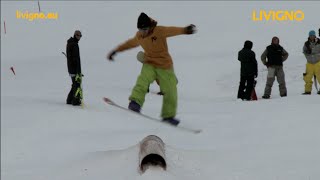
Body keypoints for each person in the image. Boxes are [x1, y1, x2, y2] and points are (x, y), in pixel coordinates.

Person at [107, 12, 196, 125]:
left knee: (170, 90)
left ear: (150, 27)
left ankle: (168, 116)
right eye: (141, 29)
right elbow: (129, 43)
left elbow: (172, 30)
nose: (143, 32)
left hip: (164, 65)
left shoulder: (159, 31)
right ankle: (135, 103)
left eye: (145, 29)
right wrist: (116, 51)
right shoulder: (139, 36)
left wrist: (185, 30)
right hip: (149, 63)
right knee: (143, 80)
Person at [66, 30, 83, 106]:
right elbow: (76, 59)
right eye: (78, 35)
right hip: (74, 69)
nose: (79, 37)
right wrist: (78, 72)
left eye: (80, 36)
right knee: (77, 84)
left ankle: (69, 100)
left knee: (74, 84)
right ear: (75, 35)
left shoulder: (70, 43)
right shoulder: (74, 44)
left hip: (71, 68)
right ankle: (75, 101)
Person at [302, 30, 320, 95]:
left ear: (315, 35)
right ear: (309, 36)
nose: (312, 36)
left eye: (313, 35)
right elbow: (304, 51)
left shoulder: (319, 42)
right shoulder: (306, 43)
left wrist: (317, 55)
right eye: (310, 35)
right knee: (307, 77)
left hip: (318, 62)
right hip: (309, 63)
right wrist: (308, 56)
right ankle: (307, 91)